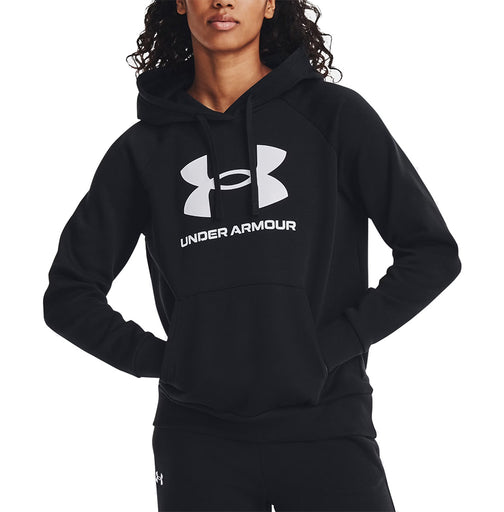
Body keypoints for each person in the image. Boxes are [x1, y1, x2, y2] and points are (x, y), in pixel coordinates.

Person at [43, 0, 462, 510]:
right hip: (197, 442)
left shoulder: (334, 118)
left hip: (328, 425)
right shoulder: (144, 149)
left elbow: (431, 253)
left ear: (269, 5)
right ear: (181, 3)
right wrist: (169, 361)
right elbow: (68, 296)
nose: (223, 1)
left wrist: (332, 346)